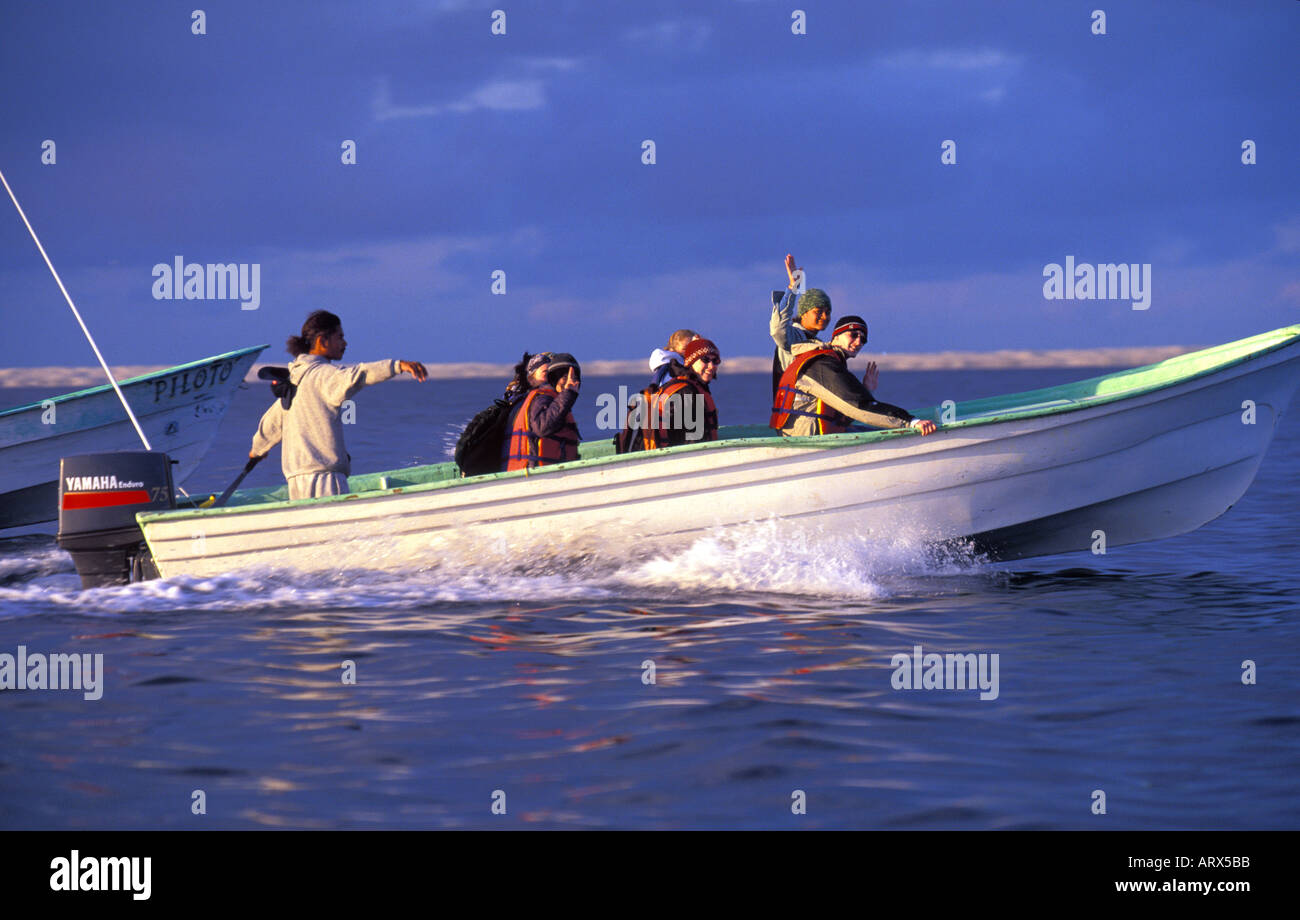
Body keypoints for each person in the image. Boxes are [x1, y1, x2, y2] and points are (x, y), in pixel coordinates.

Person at [250, 310, 428, 499]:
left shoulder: (295, 379)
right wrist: (397, 365)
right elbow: (358, 375)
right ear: (322, 341)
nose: (345, 343)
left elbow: (274, 421)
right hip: (324, 479)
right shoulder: (323, 375)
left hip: (296, 479)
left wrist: (257, 450)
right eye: (340, 337)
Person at [771, 315, 938, 438]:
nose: (859, 342)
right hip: (807, 437)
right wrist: (911, 421)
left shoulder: (831, 362)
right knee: (897, 433)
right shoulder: (821, 364)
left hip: (810, 432)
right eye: (853, 335)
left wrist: (866, 390)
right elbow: (858, 407)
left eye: (863, 339)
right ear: (835, 337)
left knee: (880, 431)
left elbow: (845, 414)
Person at [504, 352, 582, 470]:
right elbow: (542, 426)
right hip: (535, 474)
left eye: (574, 378)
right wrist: (568, 394)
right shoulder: (542, 397)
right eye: (564, 377)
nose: (570, 382)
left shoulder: (554, 399)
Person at [770, 253, 831, 396]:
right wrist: (792, 288)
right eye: (819, 311)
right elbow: (778, 330)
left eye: (828, 312)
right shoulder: (794, 338)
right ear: (804, 313)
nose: (824, 316)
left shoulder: (816, 343)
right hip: (796, 416)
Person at [644, 337, 721, 448]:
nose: (711, 366)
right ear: (691, 361)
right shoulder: (687, 393)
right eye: (705, 359)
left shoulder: (689, 386)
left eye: (715, 361)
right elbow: (691, 441)